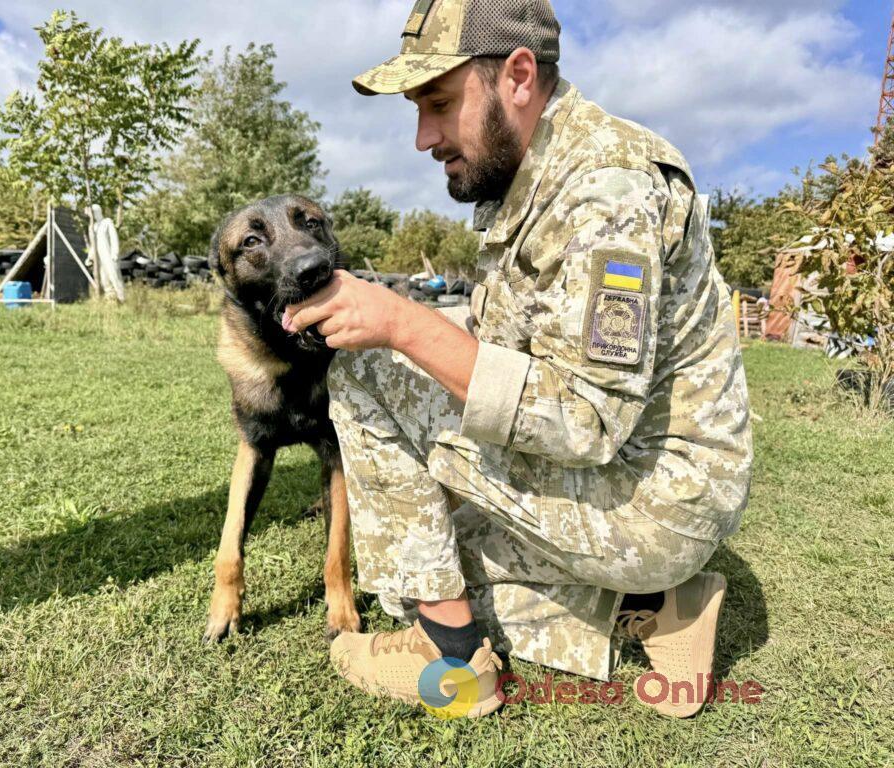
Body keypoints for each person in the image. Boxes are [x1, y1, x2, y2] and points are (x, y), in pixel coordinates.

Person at [282, 0, 752, 719]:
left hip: (650, 499)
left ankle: (452, 659)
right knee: (420, 551)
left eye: (438, 103)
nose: (422, 137)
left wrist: (402, 325)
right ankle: (663, 605)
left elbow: (586, 420)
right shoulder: (539, 173)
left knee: (371, 386)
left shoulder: (606, 190)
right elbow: (509, 337)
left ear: (519, 77)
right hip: (638, 488)